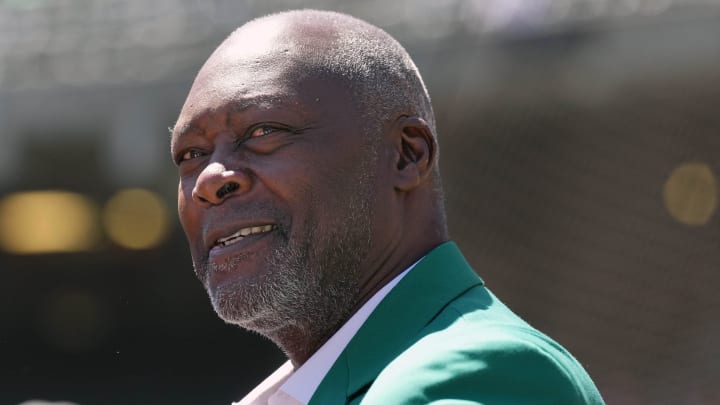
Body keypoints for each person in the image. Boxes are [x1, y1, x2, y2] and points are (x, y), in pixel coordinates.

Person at [170, 9, 604, 405]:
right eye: (191, 155)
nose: (209, 180)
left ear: (406, 155)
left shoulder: (481, 375)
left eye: (263, 131)